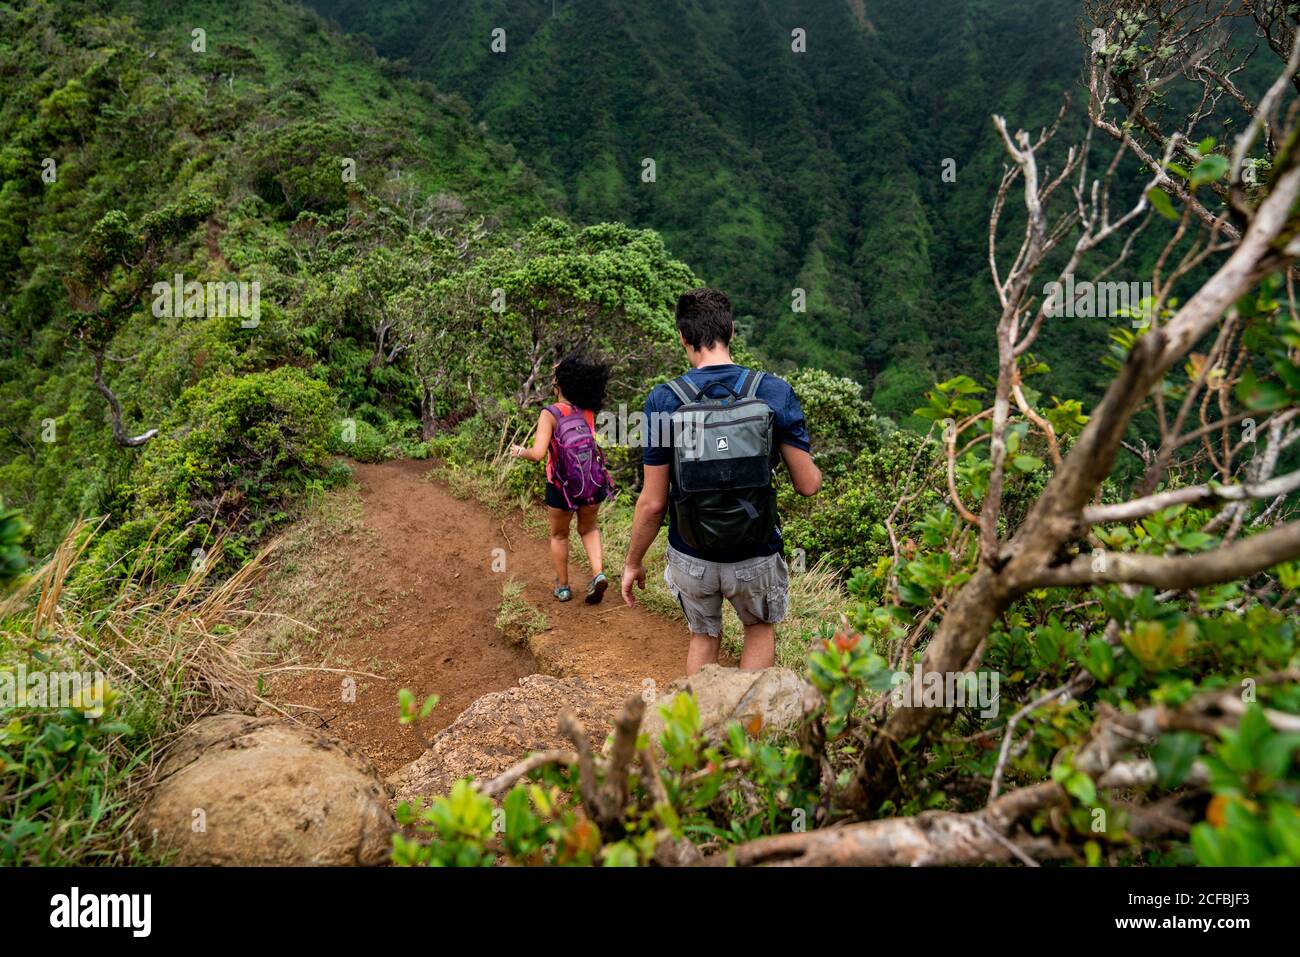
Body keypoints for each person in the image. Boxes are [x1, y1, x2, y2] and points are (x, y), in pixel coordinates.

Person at [620, 288, 822, 673]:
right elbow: (808, 484)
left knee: (704, 635)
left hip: (692, 556)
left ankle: (698, 732)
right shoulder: (773, 391)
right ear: (731, 330)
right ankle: (748, 730)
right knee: (759, 627)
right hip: (756, 552)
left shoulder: (664, 400)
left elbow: (654, 502)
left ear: (682, 336)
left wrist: (633, 562)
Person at [510, 352, 615, 603]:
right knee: (589, 529)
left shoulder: (550, 413)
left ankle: (564, 587)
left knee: (559, 535)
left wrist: (519, 451)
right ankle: (598, 573)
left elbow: (537, 454)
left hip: (561, 487)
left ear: (559, 385)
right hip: (591, 483)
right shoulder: (587, 410)